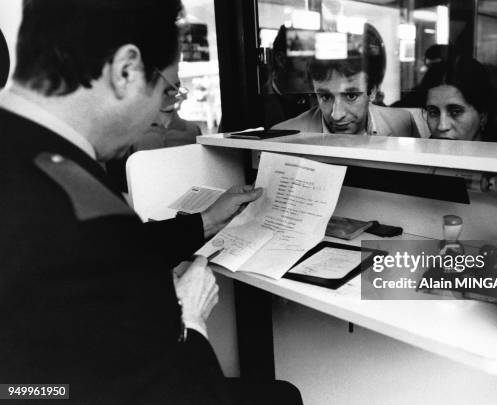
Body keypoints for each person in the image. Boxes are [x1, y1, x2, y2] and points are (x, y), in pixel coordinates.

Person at [0, 1, 302, 404]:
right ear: (126, 70)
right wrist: (189, 318)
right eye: (165, 91)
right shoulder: (83, 212)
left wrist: (203, 223)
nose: (154, 119)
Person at [273, 23, 419, 137]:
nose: (336, 115)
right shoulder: (284, 137)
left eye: (351, 96)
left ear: (372, 91)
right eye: (325, 97)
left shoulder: (403, 124)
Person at [420, 56, 493, 141]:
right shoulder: (416, 153)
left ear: (482, 116)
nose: (442, 127)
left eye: (455, 112)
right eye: (433, 112)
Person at [261, 25, 314, 128]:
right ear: (281, 60)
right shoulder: (250, 104)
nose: (313, 66)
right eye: (305, 58)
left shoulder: (320, 102)